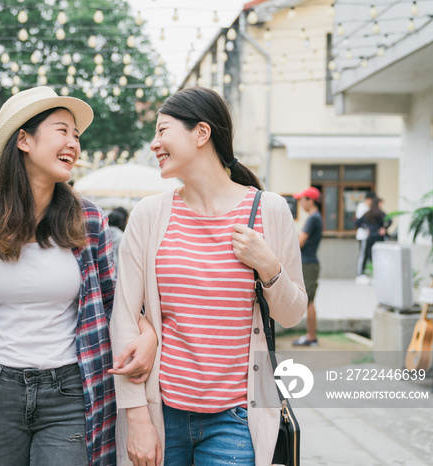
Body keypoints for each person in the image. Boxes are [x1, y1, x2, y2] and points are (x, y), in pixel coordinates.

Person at [0, 86, 156, 466]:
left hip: (68, 389)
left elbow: (112, 302)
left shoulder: (88, 219)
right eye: (62, 131)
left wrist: (148, 332)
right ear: (24, 139)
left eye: (76, 136)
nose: (74, 144)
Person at [109, 87, 307, 466]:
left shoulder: (270, 210)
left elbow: (293, 313)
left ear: (201, 134)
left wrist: (268, 267)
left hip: (236, 418)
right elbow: (124, 317)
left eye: (162, 131)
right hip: (161, 411)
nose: (154, 144)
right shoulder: (149, 215)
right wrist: (137, 418)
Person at [292, 187, 323, 347]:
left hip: (309, 263)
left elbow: (300, 243)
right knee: (309, 300)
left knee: (309, 301)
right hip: (309, 262)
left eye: (302, 199)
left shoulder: (313, 218)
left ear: (310, 201)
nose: (301, 203)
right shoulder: (315, 217)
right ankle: (310, 335)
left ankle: (311, 336)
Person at [355, 197, 392, 276]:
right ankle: (379, 273)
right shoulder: (380, 213)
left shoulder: (368, 213)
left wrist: (366, 228)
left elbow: (357, 222)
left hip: (370, 237)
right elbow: (390, 220)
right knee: (380, 256)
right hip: (379, 237)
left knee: (368, 256)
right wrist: (384, 228)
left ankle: (364, 273)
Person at [354, 192, 376, 279]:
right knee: (362, 255)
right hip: (362, 235)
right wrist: (367, 228)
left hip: (367, 236)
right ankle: (360, 273)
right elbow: (360, 221)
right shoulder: (362, 207)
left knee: (367, 255)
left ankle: (365, 273)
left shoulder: (368, 208)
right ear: (368, 199)